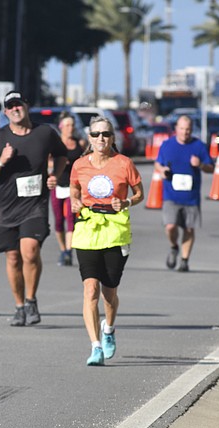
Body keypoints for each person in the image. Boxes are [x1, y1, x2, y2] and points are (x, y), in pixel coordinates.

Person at [0, 91, 68, 326]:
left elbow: (61, 155)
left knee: (29, 252)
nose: (15, 109)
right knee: (12, 257)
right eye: (10, 106)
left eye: (18, 104)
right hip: (7, 208)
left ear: (26, 106)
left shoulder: (45, 132)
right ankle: (19, 306)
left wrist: (55, 176)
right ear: (5, 111)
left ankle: (31, 300)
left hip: (35, 205)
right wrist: (1, 161)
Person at [69, 116, 143, 366]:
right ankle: (95, 346)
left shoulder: (124, 164)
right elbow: (74, 190)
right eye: (96, 134)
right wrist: (75, 202)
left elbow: (140, 193)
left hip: (115, 229)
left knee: (109, 293)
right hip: (88, 229)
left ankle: (109, 328)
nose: (101, 138)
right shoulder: (79, 165)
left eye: (106, 134)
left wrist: (126, 202)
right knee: (90, 288)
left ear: (113, 138)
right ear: (89, 138)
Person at [154, 115, 214, 272]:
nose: (185, 132)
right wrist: (162, 170)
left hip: (191, 196)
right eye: (181, 128)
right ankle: (174, 246)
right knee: (170, 226)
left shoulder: (199, 146)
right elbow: (158, 163)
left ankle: (185, 260)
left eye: (187, 129)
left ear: (191, 130)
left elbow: (211, 168)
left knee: (188, 229)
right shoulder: (167, 145)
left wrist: (200, 164)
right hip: (170, 195)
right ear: (176, 129)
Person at [51, 112, 86, 266]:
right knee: (59, 220)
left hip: (74, 188)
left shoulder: (80, 143)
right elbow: (47, 163)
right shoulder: (55, 143)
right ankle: (62, 248)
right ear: (61, 127)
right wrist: (58, 165)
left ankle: (68, 252)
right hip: (58, 185)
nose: (70, 128)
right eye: (67, 125)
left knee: (72, 220)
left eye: (72, 125)